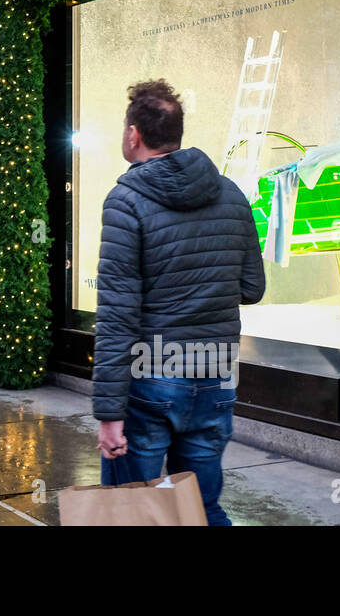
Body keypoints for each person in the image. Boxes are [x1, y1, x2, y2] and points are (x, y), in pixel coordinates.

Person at [94, 80, 266, 527]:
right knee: (201, 508)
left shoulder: (126, 200)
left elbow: (118, 315)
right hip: (217, 372)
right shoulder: (231, 194)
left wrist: (109, 414)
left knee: (132, 510)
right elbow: (252, 287)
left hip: (151, 376)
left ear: (134, 135)